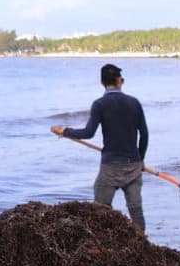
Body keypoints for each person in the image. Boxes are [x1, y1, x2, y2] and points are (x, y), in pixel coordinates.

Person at [51, 63, 149, 232]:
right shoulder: (134, 103)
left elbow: (88, 133)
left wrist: (65, 131)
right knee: (136, 211)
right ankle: (143, 244)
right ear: (119, 81)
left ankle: (105, 246)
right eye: (122, 80)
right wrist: (141, 159)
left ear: (102, 82)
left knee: (100, 211)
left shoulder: (100, 104)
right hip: (133, 165)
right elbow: (144, 134)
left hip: (110, 167)